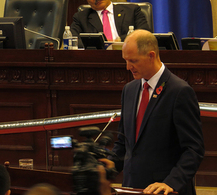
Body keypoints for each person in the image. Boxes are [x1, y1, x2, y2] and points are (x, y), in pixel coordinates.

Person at [111, 29, 205, 195]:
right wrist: (108, 167)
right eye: (125, 60)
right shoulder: (129, 90)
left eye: (133, 61)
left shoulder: (180, 91)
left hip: (166, 190)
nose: (127, 67)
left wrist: (171, 183)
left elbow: (193, 149)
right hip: (132, 187)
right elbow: (124, 142)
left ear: (151, 55)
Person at [70, 0, 151, 47]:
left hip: (129, 53)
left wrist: (117, 41)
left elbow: (145, 34)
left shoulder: (132, 10)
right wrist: (100, 44)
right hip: (98, 59)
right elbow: (72, 40)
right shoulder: (81, 17)